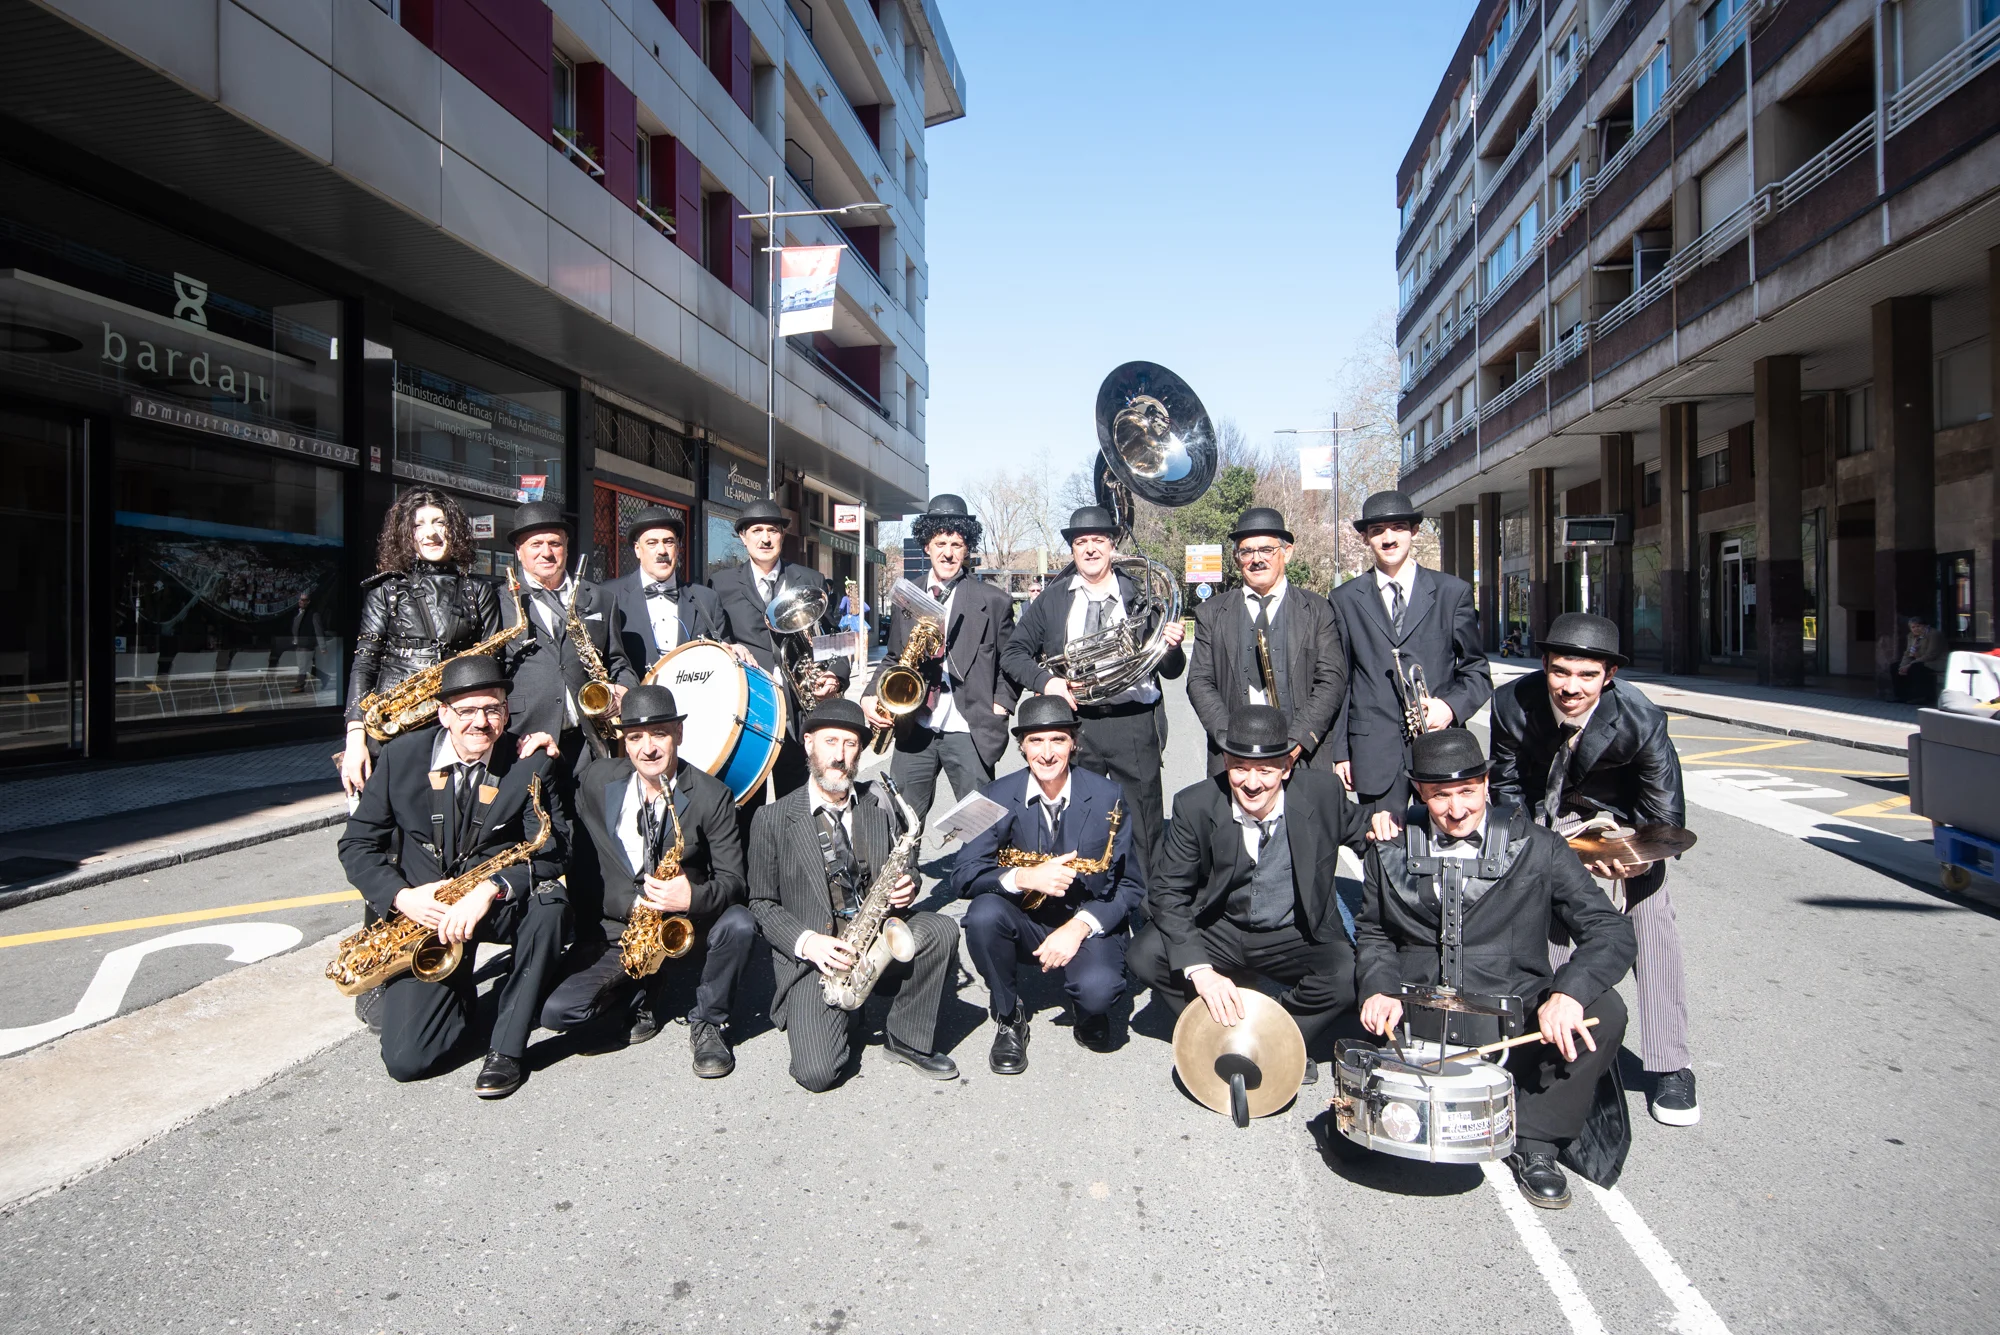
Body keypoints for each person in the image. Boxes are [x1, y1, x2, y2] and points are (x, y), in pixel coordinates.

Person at [1357, 728, 1635, 1209]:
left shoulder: (1540, 846)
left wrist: (1568, 994)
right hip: (1417, 1014)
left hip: (1513, 1017)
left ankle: (1537, 1141)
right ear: (1418, 791)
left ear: (1486, 783)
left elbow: (1610, 930)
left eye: (1467, 791)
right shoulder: (1389, 846)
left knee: (1605, 1011)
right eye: (1440, 795)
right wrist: (1378, 988)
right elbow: (1374, 932)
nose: (1456, 809)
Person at [1486, 612, 1698, 1126]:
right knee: (1549, 918)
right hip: (1549, 820)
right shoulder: (1511, 704)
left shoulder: (1642, 720)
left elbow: (1667, 821)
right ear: (1544, 665)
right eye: (1560, 671)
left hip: (1623, 826)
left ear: (1609, 675)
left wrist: (1631, 856)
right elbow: (1507, 792)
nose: (1571, 687)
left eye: (1587, 675)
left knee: (1651, 918)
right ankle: (1556, 1041)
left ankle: (1671, 1064)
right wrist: (1544, 855)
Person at [336, 655, 570, 1099]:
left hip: (490, 904)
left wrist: (492, 887)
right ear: (443, 713)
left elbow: (555, 848)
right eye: (466, 710)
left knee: (549, 906)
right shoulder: (402, 756)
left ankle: (506, 1049)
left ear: (507, 711)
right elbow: (357, 844)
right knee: (407, 1060)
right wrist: (402, 898)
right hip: (425, 916)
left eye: (493, 709)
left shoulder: (530, 762)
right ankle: (459, 993)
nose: (480, 722)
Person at [1128, 704, 1367, 1079]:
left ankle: (1281, 1034)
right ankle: (1218, 1028)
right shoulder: (1195, 804)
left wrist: (1405, 827)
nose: (1252, 783)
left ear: (1286, 767)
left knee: (1346, 976)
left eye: (1266, 771)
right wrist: (1201, 971)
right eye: (1240, 768)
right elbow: (1167, 891)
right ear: (1226, 763)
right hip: (1221, 927)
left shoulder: (1322, 794)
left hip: (1293, 932)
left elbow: (1371, 833)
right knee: (1145, 955)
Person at [538, 684, 753, 1077]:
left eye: (659, 734)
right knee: (557, 1013)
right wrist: (545, 758)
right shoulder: (597, 779)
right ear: (624, 741)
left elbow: (734, 881)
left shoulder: (713, 796)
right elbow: (561, 819)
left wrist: (690, 897)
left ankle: (709, 1022)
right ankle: (641, 994)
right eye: (635, 737)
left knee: (739, 923)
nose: (648, 748)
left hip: (684, 924)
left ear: (678, 734)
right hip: (625, 929)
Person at [746, 700, 961, 1091]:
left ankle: (906, 1038)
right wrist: (808, 943)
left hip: (874, 934)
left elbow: (907, 865)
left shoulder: (879, 805)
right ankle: (842, 1013)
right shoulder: (772, 818)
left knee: (941, 930)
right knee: (817, 1074)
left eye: (850, 744)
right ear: (809, 743)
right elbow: (760, 903)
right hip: (819, 958)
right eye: (831, 742)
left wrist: (909, 884)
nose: (840, 755)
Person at [950, 695, 1145, 1072]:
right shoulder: (989, 794)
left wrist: (1079, 927)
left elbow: (1130, 885)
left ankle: (1087, 1008)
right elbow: (962, 875)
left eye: (1058, 739)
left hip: (1084, 921)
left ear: (1074, 743)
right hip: (1024, 919)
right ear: (1021, 746)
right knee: (983, 915)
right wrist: (1024, 877)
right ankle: (1009, 1015)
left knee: (1098, 992)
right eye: (1035, 741)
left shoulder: (1111, 794)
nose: (1047, 752)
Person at [1000, 505, 1186, 878]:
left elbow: (1171, 669)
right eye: (1081, 542)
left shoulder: (1141, 594)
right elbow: (1013, 653)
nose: (1089, 549)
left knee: (1144, 824)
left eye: (1098, 540)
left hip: (1133, 722)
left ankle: (1148, 904)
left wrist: (1172, 646)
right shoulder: (1053, 599)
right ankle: (1085, 898)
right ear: (1072, 549)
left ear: (1112, 545)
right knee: (1080, 821)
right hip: (1078, 723)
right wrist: (1049, 682)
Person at [1327, 490, 1491, 821]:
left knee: (1443, 841)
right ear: (1365, 538)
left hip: (1440, 746)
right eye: (1377, 531)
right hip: (1374, 752)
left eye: (1398, 528)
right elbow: (1342, 680)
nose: (1388, 538)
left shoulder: (1452, 592)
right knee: (1382, 843)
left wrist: (1449, 707)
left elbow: (1476, 671)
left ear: (1414, 531)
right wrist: (1341, 752)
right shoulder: (1343, 599)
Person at [861, 494, 1019, 824]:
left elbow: (1012, 660)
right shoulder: (906, 594)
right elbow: (894, 656)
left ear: (967, 548)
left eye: (957, 544)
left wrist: (1001, 704)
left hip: (970, 726)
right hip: (915, 724)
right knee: (901, 823)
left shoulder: (995, 601)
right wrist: (870, 694)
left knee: (980, 825)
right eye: (940, 543)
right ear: (927, 546)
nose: (948, 553)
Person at [340, 489, 502, 797]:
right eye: (418, 525)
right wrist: (355, 738)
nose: (430, 533)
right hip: (394, 725)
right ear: (406, 534)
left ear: (454, 529)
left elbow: (495, 663)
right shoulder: (386, 591)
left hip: (457, 723)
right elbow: (364, 664)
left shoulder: (479, 591)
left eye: (440, 522)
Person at [707, 498, 851, 798]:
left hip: (800, 710)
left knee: (800, 800)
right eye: (756, 531)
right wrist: (728, 648)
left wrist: (835, 676)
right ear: (743, 538)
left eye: (772, 530)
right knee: (747, 801)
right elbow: (715, 640)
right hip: (751, 708)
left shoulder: (810, 579)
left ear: (782, 537)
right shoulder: (720, 584)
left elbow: (836, 638)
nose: (765, 538)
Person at [1186, 506, 1346, 776]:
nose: (1256, 559)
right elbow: (1199, 682)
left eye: (1266, 550)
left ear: (1287, 552)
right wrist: (1231, 741)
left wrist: (1296, 743)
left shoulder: (1318, 610)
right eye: (1246, 551)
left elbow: (1332, 680)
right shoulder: (1210, 613)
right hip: (1233, 760)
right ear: (1237, 558)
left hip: (1303, 757)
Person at [497, 501, 636, 764]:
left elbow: (618, 661)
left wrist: (624, 691)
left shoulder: (601, 598)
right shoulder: (500, 600)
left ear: (566, 547)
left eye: (554, 543)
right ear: (519, 551)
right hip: (524, 740)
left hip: (590, 741)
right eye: (536, 544)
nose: (546, 553)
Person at [606, 507, 725, 679]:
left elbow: (723, 658)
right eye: (652, 543)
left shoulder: (707, 599)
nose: (662, 551)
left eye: (669, 542)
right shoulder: (609, 596)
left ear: (678, 548)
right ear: (637, 549)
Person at [1897, 614, 1949, 705]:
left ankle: (1919, 696)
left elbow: (1931, 655)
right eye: (1913, 627)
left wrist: (1910, 665)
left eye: (1918, 626)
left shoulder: (1934, 635)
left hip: (1935, 662)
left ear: (1925, 626)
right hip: (1918, 660)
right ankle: (1901, 696)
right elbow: (1908, 653)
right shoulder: (1911, 636)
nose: (1916, 629)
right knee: (1895, 667)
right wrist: (1902, 666)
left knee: (1915, 668)